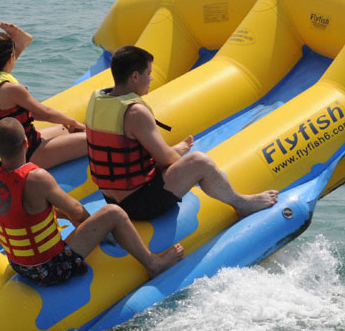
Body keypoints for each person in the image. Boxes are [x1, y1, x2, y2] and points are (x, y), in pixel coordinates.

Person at [0, 118, 184, 286]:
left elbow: (25, 214)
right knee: (113, 213)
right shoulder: (35, 178)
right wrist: (93, 227)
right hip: (50, 268)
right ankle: (154, 264)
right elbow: (77, 210)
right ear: (26, 142)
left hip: (19, 265)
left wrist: (72, 221)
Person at [85, 45, 278, 221]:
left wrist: (175, 150)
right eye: (149, 73)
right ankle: (242, 204)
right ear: (135, 77)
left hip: (111, 200)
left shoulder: (98, 100)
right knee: (200, 162)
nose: (151, 78)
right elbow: (166, 160)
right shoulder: (135, 112)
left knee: (177, 155)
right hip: (139, 205)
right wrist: (183, 165)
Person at [0, 23, 88, 169]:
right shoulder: (11, 90)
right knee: (94, 141)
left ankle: (21, 41)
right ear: (9, 59)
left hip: (11, 154)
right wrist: (73, 121)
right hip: (32, 153)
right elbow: (44, 113)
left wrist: (68, 125)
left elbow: (21, 113)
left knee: (65, 129)